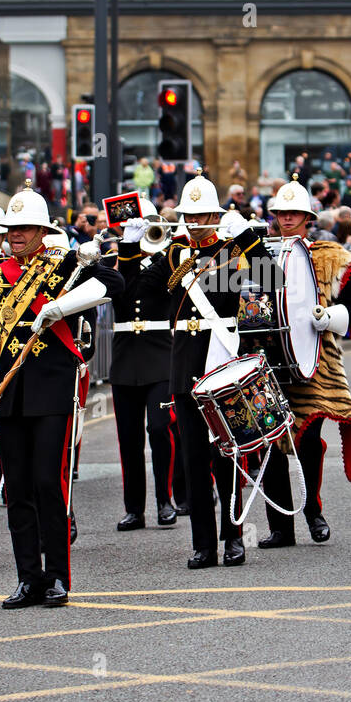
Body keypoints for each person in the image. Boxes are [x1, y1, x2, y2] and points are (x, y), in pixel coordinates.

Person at [0, 184, 123, 607]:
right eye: (13, 228)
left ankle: (59, 576)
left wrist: (61, 307)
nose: (17, 234)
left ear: (43, 230)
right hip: (9, 390)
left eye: (26, 227)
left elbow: (113, 281)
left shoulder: (65, 263)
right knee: (19, 488)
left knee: (49, 481)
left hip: (51, 387)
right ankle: (29, 577)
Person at [128, 175, 274, 569]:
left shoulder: (229, 253)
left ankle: (232, 538)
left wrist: (247, 237)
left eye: (201, 215)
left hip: (220, 357)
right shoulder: (175, 254)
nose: (194, 222)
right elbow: (139, 288)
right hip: (184, 362)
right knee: (192, 456)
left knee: (224, 454)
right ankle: (203, 544)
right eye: (188, 216)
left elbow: (268, 279)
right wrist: (130, 246)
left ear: (215, 213)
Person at [260, 176, 351, 546]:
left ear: (308, 216)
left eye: (294, 213)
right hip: (267, 362)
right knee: (270, 445)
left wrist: (328, 317)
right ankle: (279, 526)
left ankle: (313, 513)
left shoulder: (332, 257)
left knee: (308, 441)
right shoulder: (259, 255)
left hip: (315, 362)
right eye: (281, 213)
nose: (287, 219)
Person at [108, 196, 185, 531]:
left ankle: (164, 500)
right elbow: (122, 295)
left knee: (158, 428)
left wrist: (149, 248)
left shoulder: (169, 260)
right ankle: (134, 509)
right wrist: (126, 249)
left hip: (159, 358)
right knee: (128, 439)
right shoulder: (118, 261)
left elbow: (160, 284)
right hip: (126, 359)